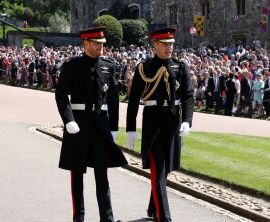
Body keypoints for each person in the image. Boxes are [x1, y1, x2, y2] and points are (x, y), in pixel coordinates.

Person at [55, 26, 127, 222]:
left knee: (102, 176)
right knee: (77, 173)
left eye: (102, 43)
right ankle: (78, 216)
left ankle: (107, 218)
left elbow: (113, 100)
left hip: (100, 126)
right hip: (78, 125)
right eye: (96, 43)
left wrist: (113, 127)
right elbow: (61, 95)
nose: (100, 47)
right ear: (85, 43)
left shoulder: (108, 66)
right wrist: (68, 119)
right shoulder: (72, 66)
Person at [126, 27, 194, 222]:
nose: (169, 48)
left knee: (167, 170)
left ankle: (153, 206)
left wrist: (187, 121)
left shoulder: (180, 67)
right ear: (155, 44)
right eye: (165, 44)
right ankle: (164, 218)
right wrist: (131, 128)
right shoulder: (144, 68)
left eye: (171, 44)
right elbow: (133, 101)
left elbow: (189, 95)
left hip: (173, 122)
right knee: (159, 168)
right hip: (153, 123)